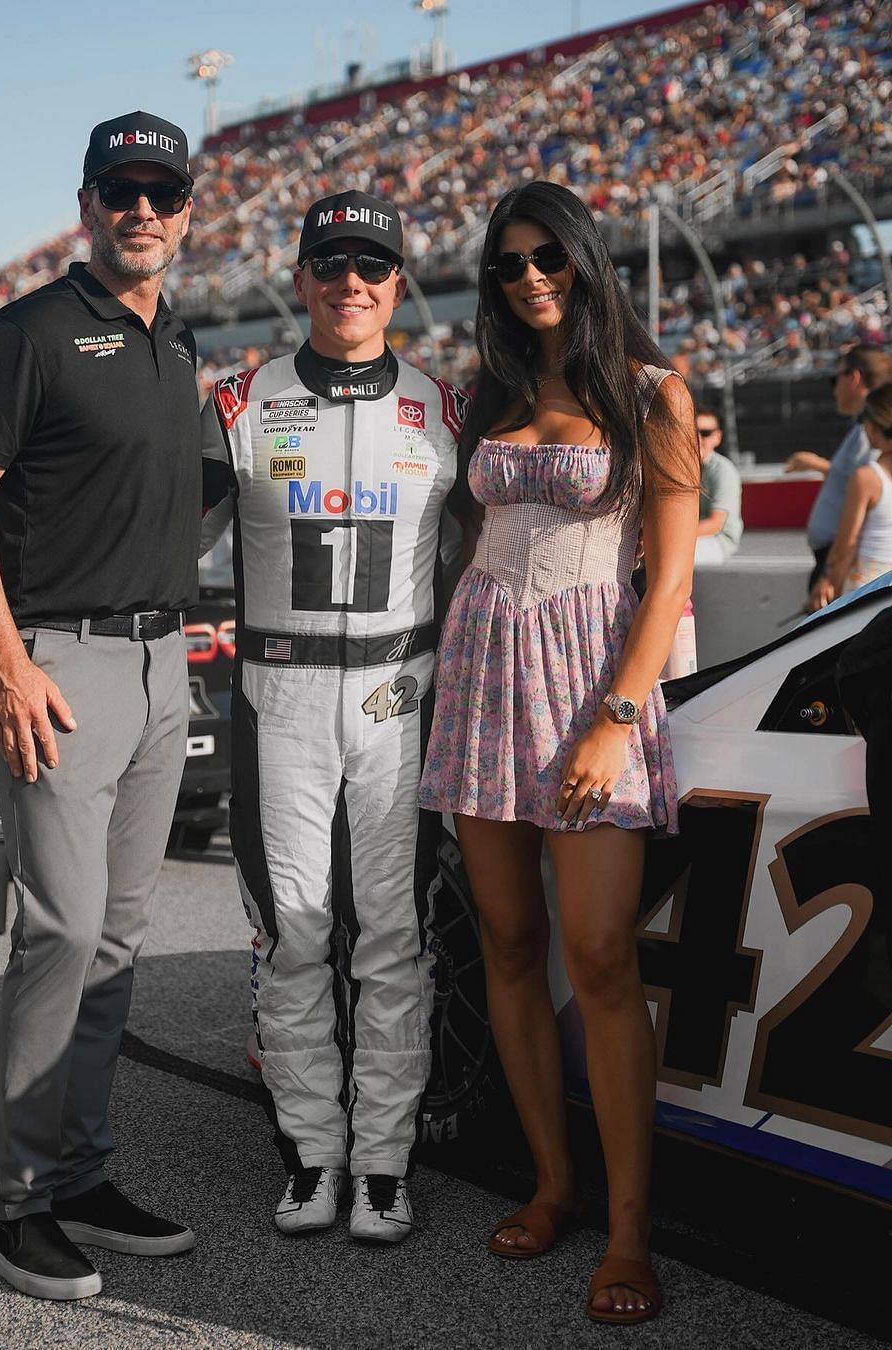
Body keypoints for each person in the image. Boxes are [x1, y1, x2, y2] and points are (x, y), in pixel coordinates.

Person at [0, 111, 201, 1302]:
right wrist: (4, 656)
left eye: (162, 191)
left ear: (186, 211)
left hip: (160, 666)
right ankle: (16, 1206)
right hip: (57, 667)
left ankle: (83, 1172)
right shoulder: (31, 331)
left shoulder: (181, 344)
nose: (142, 209)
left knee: (123, 938)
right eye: (120, 189)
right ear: (87, 205)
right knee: (64, 930)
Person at [419, 182, 699, 1324]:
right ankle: (551, 1184)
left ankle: (630, 1232)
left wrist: (612, 717)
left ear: (586, 261)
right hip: (482, 681)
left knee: (601, 956)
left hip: (593, 688)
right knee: (513, 942)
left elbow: (669, 577)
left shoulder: (653, 393)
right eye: (506, 264)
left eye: (549, 258)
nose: (528, 277)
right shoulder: (486, 396)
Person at [199, 190, 465, 1244]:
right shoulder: (237, 403)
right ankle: (312, 1154)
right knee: (295, 935)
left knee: (395, 938)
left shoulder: (447, 409)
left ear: (399, 283)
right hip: (282, 697)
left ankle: (385, 1164)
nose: (350, 281)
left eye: (372, 264)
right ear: (301, 276)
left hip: (403, 696)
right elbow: (150, 532)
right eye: (330, 262)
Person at [786, 344, 892, 611]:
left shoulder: (870, 435)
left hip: (847, 567)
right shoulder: (863, 431)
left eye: (836, 378)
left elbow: (867, 499)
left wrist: (829, 578)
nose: (834, 388)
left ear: (854, 377)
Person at [824, 384, 892, 600]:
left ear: (874, 425)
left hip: (867, 591)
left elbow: (846, 546)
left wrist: (830, 583)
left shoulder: (867, 477)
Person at [693, 405, 742, 565]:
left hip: (718, 540)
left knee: (672, 557)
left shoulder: (723, 470)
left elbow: (715, 524)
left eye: (705, 433)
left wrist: (670, 538)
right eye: (692, 432)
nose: (698, 438)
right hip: (686, 536)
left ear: (717, 437)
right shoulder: (677, 467)